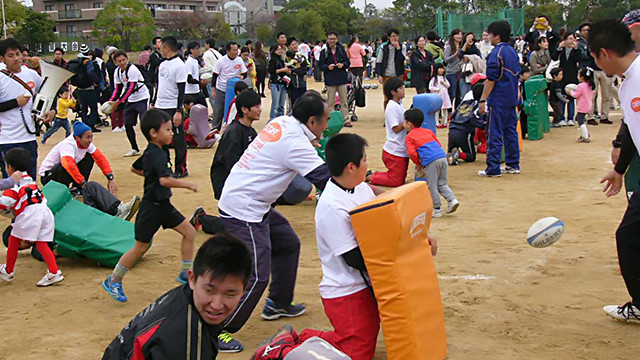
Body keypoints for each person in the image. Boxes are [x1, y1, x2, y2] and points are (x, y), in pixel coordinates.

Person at [216, 91, 331, 352]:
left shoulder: (281, 122)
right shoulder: (295, 141)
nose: (327, 125)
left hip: (255, 203)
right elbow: (325, 179)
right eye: (325, 120)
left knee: (287, 243)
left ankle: (278, 303)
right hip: (244, 210)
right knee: (257, 275)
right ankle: (217, 329)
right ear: (311, 121)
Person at [102, 234, 252, 360]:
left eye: (230, 294)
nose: (217, 305)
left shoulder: (184, 299)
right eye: (209, 290)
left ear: (243, 291)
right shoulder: (184, 341)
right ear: (192, 279)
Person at [102, 109, 197, 303]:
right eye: (168, 129)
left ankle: (185, 273)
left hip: (164, 206)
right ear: (154, 133)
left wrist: (151, 178)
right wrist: (185, 184)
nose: (172, 133)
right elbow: (163, 180)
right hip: (151, 209)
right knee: (139, 248)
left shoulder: (158, 150)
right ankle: (113, 280)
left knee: (189, 232)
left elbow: (136, 167)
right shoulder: (156, 154)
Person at [311, 133, 382, 359]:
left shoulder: (360, 187)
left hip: (367, 283)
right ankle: (293, 343)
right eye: (364, 160)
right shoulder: (332, 206)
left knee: (363, 343)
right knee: (355, 354)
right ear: (351, 167)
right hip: (346, 290)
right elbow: (353, 258)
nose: (367, 164)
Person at [591, 19, 640, 323]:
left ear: (604, 54)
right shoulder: (627, 81)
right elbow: (634, 131)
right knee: (630, 235)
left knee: (629, 236)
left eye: (594, 56)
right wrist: (620, 170)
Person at [190, 90, 263, 236]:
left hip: (242, 183)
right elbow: (231, 164)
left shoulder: (251, 132)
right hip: (228, 182)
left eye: (259, 105)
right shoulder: (234, 132)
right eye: (256, 106)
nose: (260, 109)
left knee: (249, 224)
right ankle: (202, 218)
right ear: (244, 109)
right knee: (237, 230)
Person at [0, 148, 63, 287]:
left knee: (13, 239)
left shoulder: (14, 184)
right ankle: (54, 272)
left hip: (31, 215)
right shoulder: (29, 179)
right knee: (41, 243)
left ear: (10, 167)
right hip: (45, 212)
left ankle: (8, 270)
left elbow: (4, 202)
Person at [478, 20, 521, 178]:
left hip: (498, 100)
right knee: (511, 132)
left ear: (496, 35)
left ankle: (493, 168)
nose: (488, 37)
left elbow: (491, 79)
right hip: (511, 98)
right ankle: (512, 164)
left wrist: (483, 100)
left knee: (494, 133)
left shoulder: (495, 54)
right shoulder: (513, 52)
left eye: (490, 34)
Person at [0, 38, 45, 179]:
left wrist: (51, 110)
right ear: (2, 58)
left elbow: (46, 92)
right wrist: (15, 102)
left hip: (29, 138)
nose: (16, 58)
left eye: (18, 54)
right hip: (7, 140)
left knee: (30, 179)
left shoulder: (31, 74)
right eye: (10, 56)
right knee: (11, 183)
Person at [403, 108, 458, 218]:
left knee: (432, 185)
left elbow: (412, 153)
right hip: (442, 157)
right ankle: (452, 199)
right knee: (442, 183)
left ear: (409, 124)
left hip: (430, 161)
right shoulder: (428, 131)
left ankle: (437, 209)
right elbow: (437, 143)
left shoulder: (409, 137)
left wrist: (418, 164)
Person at [40, 121, 116, 192]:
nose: (90, 140)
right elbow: (68, 165)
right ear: (77, 138)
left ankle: (77, 189)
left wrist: (110, 177)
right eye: (87, 137)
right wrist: (82, 182)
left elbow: (100, 158)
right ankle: (63, 191)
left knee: (89, 157)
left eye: (91, 137)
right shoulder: (68, 144)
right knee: (65, 165)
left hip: (63, 173)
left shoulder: (86, 143)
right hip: (48, 177)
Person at [151, 36, 189, 178]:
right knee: (162, 139)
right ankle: (166, 167)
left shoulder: (179, 65)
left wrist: (179, 111)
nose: (159, 49)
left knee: (178, 139)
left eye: (161, 47)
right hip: (161, 106)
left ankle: (181, 169)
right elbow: (160, 86)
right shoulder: (162, 64)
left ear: (166, 47)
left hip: (173, 107)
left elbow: (181, 90)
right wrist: (154, 102)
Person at [367, 78, 408, 187]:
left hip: (400, 149)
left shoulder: (399, 105)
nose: (403, 90)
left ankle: (373, 175)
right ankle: (370, 177)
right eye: (400, 88)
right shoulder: (391, 107)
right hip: (394, 150)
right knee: (396, 181)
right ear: (393, 92)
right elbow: (396, 128)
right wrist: (407, 122)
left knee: (399, 178)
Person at [109, 51, 150, 157]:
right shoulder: (117, 72)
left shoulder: (132, 70)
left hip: (142, 98)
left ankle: (152, 147)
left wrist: (118, 102)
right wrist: (111, 101)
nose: (122, 63)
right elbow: (117, 89)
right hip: (131, 100)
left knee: (145, 123)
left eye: (124, 60)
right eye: (119, 61)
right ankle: (134, 148)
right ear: (115, 62)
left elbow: (130, 88)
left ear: (127, 59)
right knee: (128, 124)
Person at [211, 42, 247, 130]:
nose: (236, 52)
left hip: (234, 91)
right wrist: (213, 90)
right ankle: (215, 130)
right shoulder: (221, 61)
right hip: (222, 89)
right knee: (218, 111)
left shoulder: (239, 60)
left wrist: (242, 76)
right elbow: (215, 76)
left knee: (233, 111)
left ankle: (231, 129)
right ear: (228, 51)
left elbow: (244, 73)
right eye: (234, 50)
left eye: (237, 50)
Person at [319, 31, 352, 126]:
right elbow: (320, 65)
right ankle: (332, 121)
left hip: (342, 78)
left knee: (344, 101)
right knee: (330, 102)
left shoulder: (341, 50)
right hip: (330, 79)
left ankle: (346, 119)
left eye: (333, 39)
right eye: (330, 39)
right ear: (327, 40)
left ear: (337, 39)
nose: (332, 41)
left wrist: (343, 65)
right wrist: (327, 67)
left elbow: (348, 62)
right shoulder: (324, 52)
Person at [448, 82, 485, 165]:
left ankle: (451, 154)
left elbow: (454, 115)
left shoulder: (464, 103)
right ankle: (458, 154)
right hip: (463, 132)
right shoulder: (478, 107)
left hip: (452, 130)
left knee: (451, 151)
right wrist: (484, 125)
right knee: (471, 156)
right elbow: (474, 119)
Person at [554, 32, 581, 126]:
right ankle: (561, 117)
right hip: (562, 75)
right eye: (568, 39)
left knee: (571, 97)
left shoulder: (576, 50)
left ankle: (570, 118)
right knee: (562, 97)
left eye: (572, 39)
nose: (570, 41)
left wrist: (576, 48)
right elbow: (554, 58)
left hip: (572, 75)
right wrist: (559, 48)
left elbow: (580, 59)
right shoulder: (561, 50)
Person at [376, 29, 406, 110]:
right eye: (393, 36)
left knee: (399, 96)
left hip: (398, 75)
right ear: (389, 37)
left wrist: (398, 49)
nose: (395, 38)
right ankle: (388, 115)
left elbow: (402, 59)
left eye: (396, 36)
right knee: (387, 97)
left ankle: (398, 113)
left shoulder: (402, 46)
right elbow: (379, 61)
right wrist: (379, 75)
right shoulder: (383, 47)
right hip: (386, 75)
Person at [75, 44, 102, 133]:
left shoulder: (77, 61)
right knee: (93, 108)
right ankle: (91, 125)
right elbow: (90, 72)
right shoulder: (88, 62)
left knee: (84, 108)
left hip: (79, 88)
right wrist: (96, 81)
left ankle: (84, 125)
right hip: (89, 88)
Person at [567, 67, 595, 143]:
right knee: (580, 119)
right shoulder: (590, 85)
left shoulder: (581, 85)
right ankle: (584, 133)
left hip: (582, 106)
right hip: (588, 105)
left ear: (582, 77)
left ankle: (585, 136)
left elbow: (576, 95)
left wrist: (571, 92)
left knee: (580, 120)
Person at [268, 44, 290, 120]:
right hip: (275, 83)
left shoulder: (281, 59)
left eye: (281, 49)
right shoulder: (273, 60)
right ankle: (272, 120)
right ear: (274, 51)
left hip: (283, 83)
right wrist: (282, 70)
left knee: (281, 105)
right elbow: (271, 71)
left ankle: (281, 120)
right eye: (278, 49)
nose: (280, 51)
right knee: (275, 105)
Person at [286, 38, 309, 108]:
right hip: (293, 84)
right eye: (292, 45)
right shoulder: (287, 58)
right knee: (294, 105)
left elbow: (307, 67)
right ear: (289, 46)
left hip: (302, 84)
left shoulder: (302, 57)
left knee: (303, 104)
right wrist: (298, 69)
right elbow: (288, 68)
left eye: (296, 44)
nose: (295, 46)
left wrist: (296, 70)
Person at [457, 32, 481, 97]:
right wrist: (466, 43)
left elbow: (479, 59)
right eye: (468, 38)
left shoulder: (476, 49)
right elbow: (460, 55)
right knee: (464, 94)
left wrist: (469, 57)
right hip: (464, 74)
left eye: (471, 38)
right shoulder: (462, 48)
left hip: (474, 74)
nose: (470, 40)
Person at [444, 29, 464, 108]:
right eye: (457, 34)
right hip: (452, 73)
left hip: (462, 72)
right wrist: (455, 54)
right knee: (452, 93)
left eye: (460, 34)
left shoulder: (463, 47)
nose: (459, 36)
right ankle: (448, 111)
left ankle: (457, 111)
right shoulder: (449, 47)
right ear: (453, 36)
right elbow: (446, 60)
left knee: (459, 94)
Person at [203, 38, 223, 109]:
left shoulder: (206, 54)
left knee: (212, 96)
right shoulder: (218, 53)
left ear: (207, 44)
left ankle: (215, 112)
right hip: (220, 77)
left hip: (211, 77)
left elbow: (208, 67)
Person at [430, 64, 452, 128]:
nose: (441, 70)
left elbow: (448, 85)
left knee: (445, 109)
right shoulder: (434, 79)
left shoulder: (444, 78)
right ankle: (436, 122)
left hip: (444, 95)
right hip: (437, 96)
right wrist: (437, 89)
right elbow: (430, 87)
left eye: (442, 68)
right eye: (439, 69)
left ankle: (445, 122)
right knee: (437, 110)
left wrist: (444, 83)